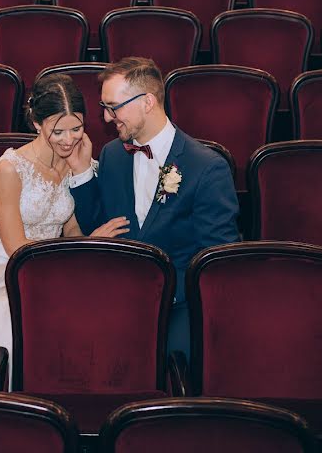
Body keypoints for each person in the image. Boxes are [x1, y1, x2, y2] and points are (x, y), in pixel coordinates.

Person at [67, 57, 239, 357]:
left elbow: (219, 261)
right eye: (104, 108)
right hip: (114, 294)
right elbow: (100, 224)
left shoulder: (207, 167)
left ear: (147, 101)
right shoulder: (112, 155)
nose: (107, 118)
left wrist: (165, 296)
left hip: (178, 305)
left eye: (113, 107)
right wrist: (82, 174)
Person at [0, 73, 130, 368]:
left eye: (76, 128)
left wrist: (80, 170)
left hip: (57, 263)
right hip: (11, 266)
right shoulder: (10, 168)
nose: (68, 140)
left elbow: (71, 229)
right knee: (9, 315)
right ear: (37, 124)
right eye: (58, 131)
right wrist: (82, 246)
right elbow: (16, 247)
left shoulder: (77, 161)